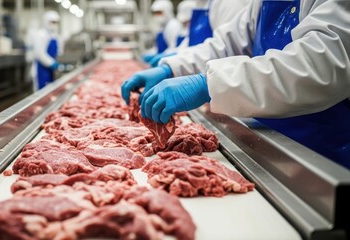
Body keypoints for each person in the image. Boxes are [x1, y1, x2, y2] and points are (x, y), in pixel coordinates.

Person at [123, 0, 350, 169]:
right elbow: (226, 45)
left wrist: (208, 84)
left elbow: (321, 63)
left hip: (325, 154)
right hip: (267, 140)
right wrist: (171, 67)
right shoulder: (260, 4)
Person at [148, 0, 252, 67]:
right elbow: (189, 42)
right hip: (198, 68)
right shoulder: (200, 4)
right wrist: (173, 57)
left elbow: (226, 48)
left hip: (216, 78)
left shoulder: (229, 3)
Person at [31, 11, 63, 91]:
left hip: (51, 70)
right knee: (42, 92)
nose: (54, 24)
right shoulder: (41, 34)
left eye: (56, 22)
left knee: (51, 91)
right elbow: (39, 54)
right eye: (52, 22)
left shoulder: (55, 36)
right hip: (41, 69)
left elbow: (58, 51)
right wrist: (52, 63)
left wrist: (58, 62)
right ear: (46, 21)